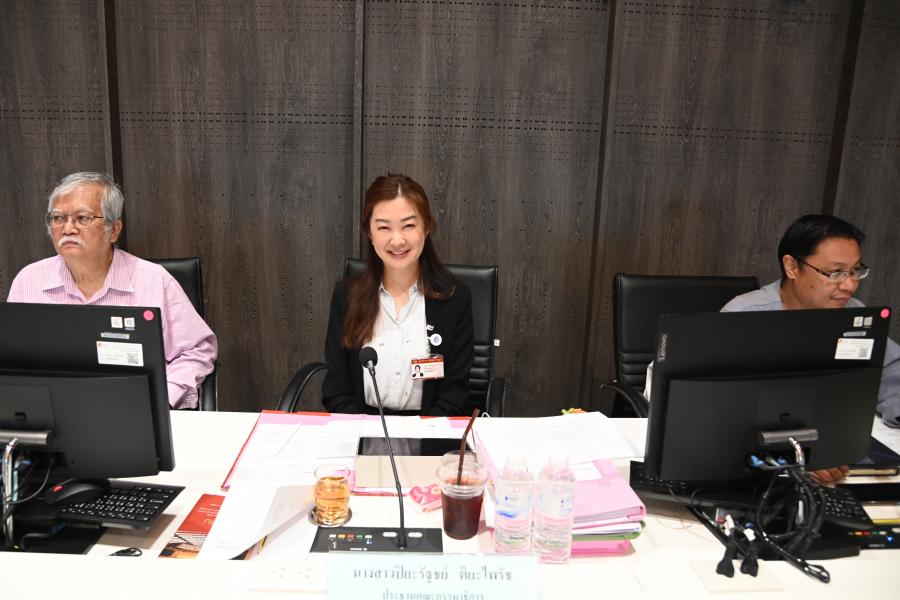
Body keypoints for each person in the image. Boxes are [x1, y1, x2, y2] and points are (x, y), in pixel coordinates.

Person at [6, 172, 217, 409]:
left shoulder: (154, 280)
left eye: (82, 218)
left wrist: (161, 398)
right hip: (52, 412)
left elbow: (198, 350)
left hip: (133, 410)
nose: (68, 228)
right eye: (58, 218)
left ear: (114, 230)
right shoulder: (29, 281)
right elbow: (12, 358)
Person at [721, 214, 900, 482]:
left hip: (836, 444)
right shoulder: (743, 317)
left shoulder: (853, 315)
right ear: (792, 266)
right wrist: (793, 459)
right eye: (836, 273)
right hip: (759, 458)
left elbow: (892, 372)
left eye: (855, 271)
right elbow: (721, 416)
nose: (850, 285)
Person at [322, 173, 474, 416]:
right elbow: (337, 390)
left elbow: (455, 393)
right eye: (384, 227)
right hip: (361, 425)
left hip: (429, 427)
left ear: (426, 227)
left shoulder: (454, 298)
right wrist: (363, 430)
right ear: (370, 233)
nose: (397, 240)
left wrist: (424, 434)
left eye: (408, 226)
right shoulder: (346, 296)